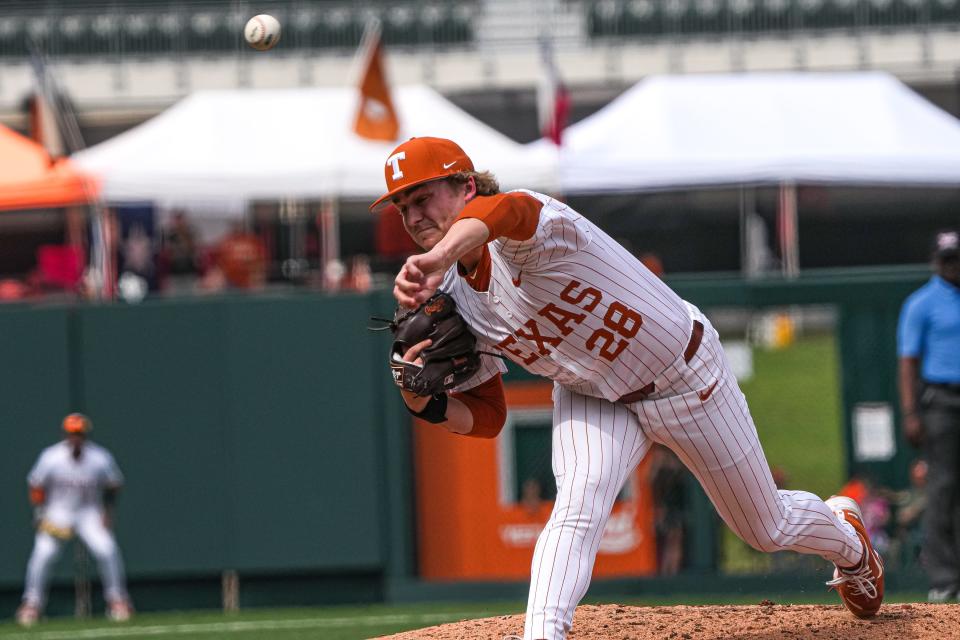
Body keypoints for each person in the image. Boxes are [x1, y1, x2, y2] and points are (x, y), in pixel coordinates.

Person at [371, 137, 884, 639]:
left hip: (684, 376)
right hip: (593, 392)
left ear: (465, 186)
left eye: (423, 197)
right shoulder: (455, 297)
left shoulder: (527, 228)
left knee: (764, 528)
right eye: (402, 207)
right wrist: (426, 403)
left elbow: (511, 209)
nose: (414, 216)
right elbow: (488, 418)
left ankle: (849, 542)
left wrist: (440, 255)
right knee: (577, 507)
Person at [15, 414, 133, 627]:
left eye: (79, 434)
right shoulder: (51, 456)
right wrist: (40, 513)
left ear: (85, 435)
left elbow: (113, 485)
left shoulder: (100, 457)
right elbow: (36, 484)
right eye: (72, 434)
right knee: (43, 554)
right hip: (57, 513)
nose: (76, 438)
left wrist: (108, 513)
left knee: (107, 549)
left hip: (89, 513)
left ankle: (118, 601)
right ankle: (32, 604)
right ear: (65, 434)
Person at [897, 229, 960, 603]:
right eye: (947, 259)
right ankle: (944, 578)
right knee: (942, 488)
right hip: (941, 402)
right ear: (936, 262)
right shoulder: (921, 303)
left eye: (957, 258)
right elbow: (908, 362)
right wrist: (911, 412)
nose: (953, 266)